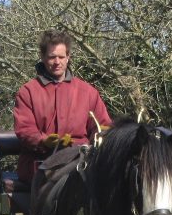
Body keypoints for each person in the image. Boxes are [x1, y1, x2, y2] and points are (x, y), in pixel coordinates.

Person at [13, 29, 112, 185]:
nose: (57, 62)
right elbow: (25, 130)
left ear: (68, 57)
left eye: (61, 57)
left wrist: (103, 138)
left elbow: (102, 126)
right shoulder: (28, 92)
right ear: (43, 58)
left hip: (80, 161)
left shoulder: (88, 92)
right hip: (40, 165)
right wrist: (45, 141)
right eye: (52, 57)